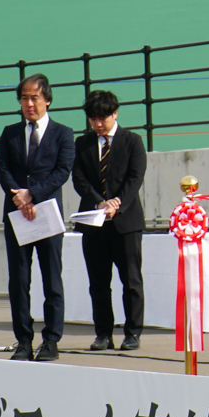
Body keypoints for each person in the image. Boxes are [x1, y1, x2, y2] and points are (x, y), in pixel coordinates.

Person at [0, 74, 75, 361]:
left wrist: (33, 194)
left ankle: (51, 340)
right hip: (17, 213)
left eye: (34, 98)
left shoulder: (63, 133)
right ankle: (23, 340)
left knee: (52, 278)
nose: (29, 104)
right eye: (24, 98)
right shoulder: (10, 132)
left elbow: (62, 171)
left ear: (47, 100)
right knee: (19, 279)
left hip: (46, 214)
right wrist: (18, 195)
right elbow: (2, 167)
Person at [73, 89, 147, 351]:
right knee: (99, 282)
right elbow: (79, 179)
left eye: (103, 117)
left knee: (131, 280)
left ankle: (133, 332)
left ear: (115, 113)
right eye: (93, 119)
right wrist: (100, 203)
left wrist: (118, 203)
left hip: (126, 223)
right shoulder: (82, 144)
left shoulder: (133, 141)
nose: (98, 123)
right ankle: (103, 333)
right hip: (94, 223)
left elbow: (135, 177)